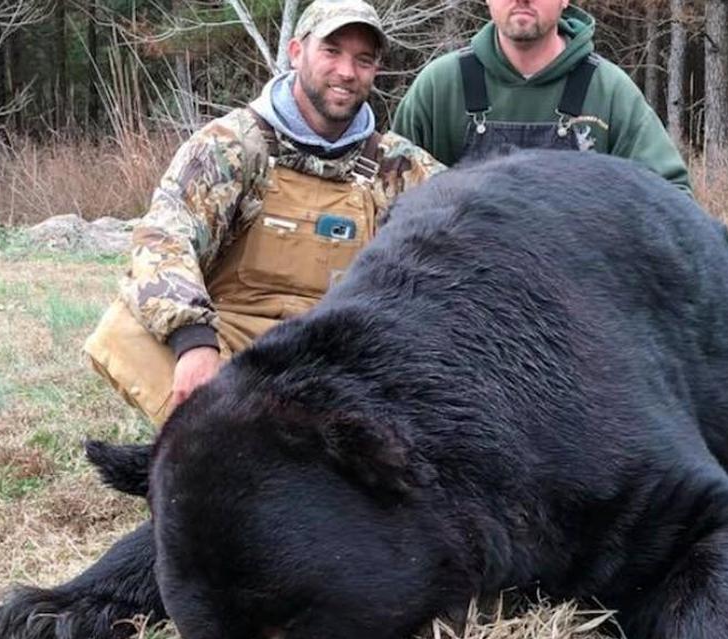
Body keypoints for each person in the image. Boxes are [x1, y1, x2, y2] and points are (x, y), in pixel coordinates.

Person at [84, 0, 444, 426]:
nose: (347, 72)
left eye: (363, 60)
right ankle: (223, 439)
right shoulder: (231, 145)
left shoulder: (398, 165)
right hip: (234, 346)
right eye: (331, 52)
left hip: (340, 353)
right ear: (296, 53)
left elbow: (470, 233)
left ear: (374, 72)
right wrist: (194, 342)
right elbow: (163, 238)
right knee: (123, 329)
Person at [391, 0, 692, 194]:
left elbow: (672, 201)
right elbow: (389, 199)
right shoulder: (440, 87)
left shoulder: (608, 91)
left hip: (578, 288)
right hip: (463, 289)